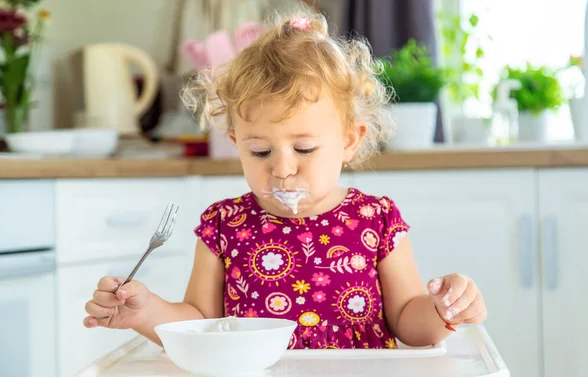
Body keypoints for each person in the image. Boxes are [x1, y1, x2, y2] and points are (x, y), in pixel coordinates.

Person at [83, 9, 487, 349]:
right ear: (236, 142)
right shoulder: (224, 225)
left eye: (305, 149)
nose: (282, 168)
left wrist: (443, 310)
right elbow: (199, 321)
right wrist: (145, 311)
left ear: (349, 141)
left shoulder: (376, 219)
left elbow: (406, 320)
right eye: (259, 151)